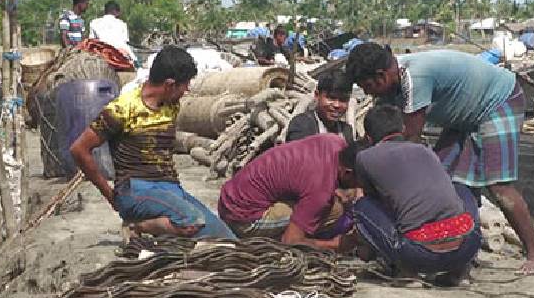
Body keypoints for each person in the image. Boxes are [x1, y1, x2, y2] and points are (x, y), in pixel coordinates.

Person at [345, 43, 534, 274]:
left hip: (497, 101)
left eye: (368, 87)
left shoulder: (414, 77)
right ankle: (462, 254)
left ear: (381, 76)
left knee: (498, 186)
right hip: (462, 116)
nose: (369, 94)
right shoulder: (393, 80)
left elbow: (409, 139)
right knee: (447, 178)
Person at [70, 46, 234, 239]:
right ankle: (136, 227)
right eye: (185, 84)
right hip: (135, 188)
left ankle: (163, 229)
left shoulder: (171, 105)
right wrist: (110, 195)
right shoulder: (122, 109)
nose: (187, 90)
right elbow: (79, 149)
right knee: (192, 222)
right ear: (170, 84)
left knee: (226, 239)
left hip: (169, 188)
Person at [347, 105, 480, 284]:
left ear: (368, 137)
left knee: (361, 206)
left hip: (417, 254)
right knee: (461, 190)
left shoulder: (365, 157)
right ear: (402, 129)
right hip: (465, 247)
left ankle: (408, 273)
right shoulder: (425, 150)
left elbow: (374, 200)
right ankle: (460, 270)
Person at [217, 134, 355, 251]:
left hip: (231, 196)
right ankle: (272, 242)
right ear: (348, 173)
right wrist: (334, 244)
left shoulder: (334, 142)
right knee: (334, 210)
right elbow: (290, 241)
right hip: (241, 218)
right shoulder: (320, 192)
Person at [285, 70, 355, 144]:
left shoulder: (346, 131)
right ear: (317, 95)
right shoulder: (302, 125)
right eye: (331, 98)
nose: (336, 105)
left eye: (343, 100)